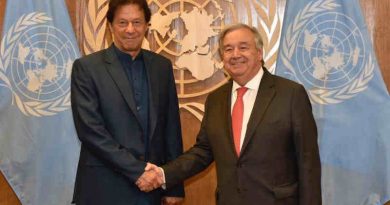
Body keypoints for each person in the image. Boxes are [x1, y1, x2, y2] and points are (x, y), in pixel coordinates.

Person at [137, 23, 322, 205]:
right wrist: (163, 174)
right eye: (228, 49)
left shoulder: (291, 94)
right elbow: (203, 152)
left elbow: (308, 164)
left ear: (259, 53)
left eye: (243, 47)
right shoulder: (215, 100)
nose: (235, 55)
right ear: (222, 57)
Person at [70, 0, 184, 204]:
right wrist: (138, 171)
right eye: (122, 23)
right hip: (103, 188)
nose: (130, 29)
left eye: (137, 22)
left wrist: (174, 185)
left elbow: (171, 128)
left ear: (147, 26)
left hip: (151, 189)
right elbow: (90, 130)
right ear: (110, 26)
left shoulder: (161, 67)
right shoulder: (87, 68)